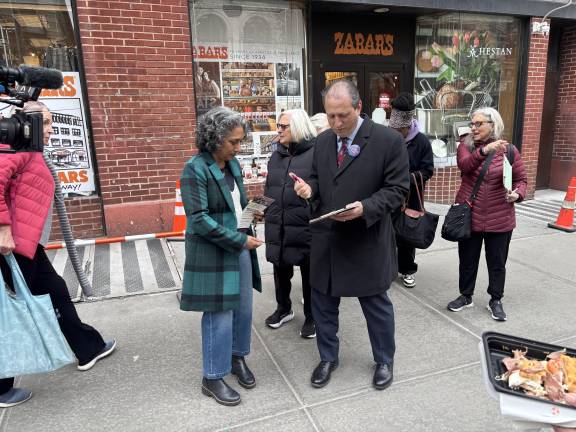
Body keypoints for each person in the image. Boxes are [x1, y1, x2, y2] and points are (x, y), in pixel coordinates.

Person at [293, 80, 409, 390]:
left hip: (365, 240)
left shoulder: (388, 141)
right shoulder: (323, 141)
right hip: (327, 240)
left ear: (358, 107)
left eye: (343, 115)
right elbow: (317, 179)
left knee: (376, 306)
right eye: (330, 116)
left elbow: (398, 190)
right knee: (323, 304)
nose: (336, 123)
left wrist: (366, 207)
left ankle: (384, 359)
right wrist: (309, 189)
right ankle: (328, 357)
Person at [0, 101, 116, 408]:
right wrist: (3, 229)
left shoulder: (30, 150)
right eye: (46, 123)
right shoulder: (15, 149)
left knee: (57, 292)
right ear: (27, 124)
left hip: (27, 246)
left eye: (51, 122)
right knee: (9, 314)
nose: (51, 129)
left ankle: (88, 348)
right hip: (11, 248)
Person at [179, 107, 263, 407]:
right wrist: (239, 239)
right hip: (214, 252)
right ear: (214, 139)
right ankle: (212, 376)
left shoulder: (232, 165)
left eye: (240, 142)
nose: (238, 148)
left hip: (238, 245)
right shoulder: (195, 168)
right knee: (218, 315)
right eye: (233, 142)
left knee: (243, 308)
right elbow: (198, 219)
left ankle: (237, 358)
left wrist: (254, 213)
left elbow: (237, 206)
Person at [446, 107, 527, 321]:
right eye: (472, 123)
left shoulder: (509, 150)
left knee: (497, 262)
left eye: (479, 124)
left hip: (500, 217)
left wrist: (517, 194)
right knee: (467, 260)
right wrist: (484, 150)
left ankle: (495, 299)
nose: (473, 128)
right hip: (470, 215)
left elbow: (521, 179)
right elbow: (464, 165)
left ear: (493, 125)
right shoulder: (465, 145)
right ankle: (465, 296)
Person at [264, 109, 317, 338]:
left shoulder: (316, 154)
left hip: (305, 225)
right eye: (278, 126)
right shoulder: (276, 156)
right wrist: (256, 209)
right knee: (280, 269)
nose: (279, 130)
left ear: (299, 127)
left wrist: (310, 190)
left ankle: (312, 317)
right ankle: (283, 308)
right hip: (278, 223)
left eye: (283, 126)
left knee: (309, 274)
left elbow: (322, 187)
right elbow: (269, 189)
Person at [388, 93, 434, 289]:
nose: (398, 132)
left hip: (412, 195)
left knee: (407, 233)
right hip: (389, 194)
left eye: (401, 129)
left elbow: (428, 170)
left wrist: (408, 177)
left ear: (409, 126)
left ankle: (407, 269)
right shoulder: (387, 137)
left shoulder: (422, 142)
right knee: (387, 233)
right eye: (394, 129)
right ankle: (388, 268)